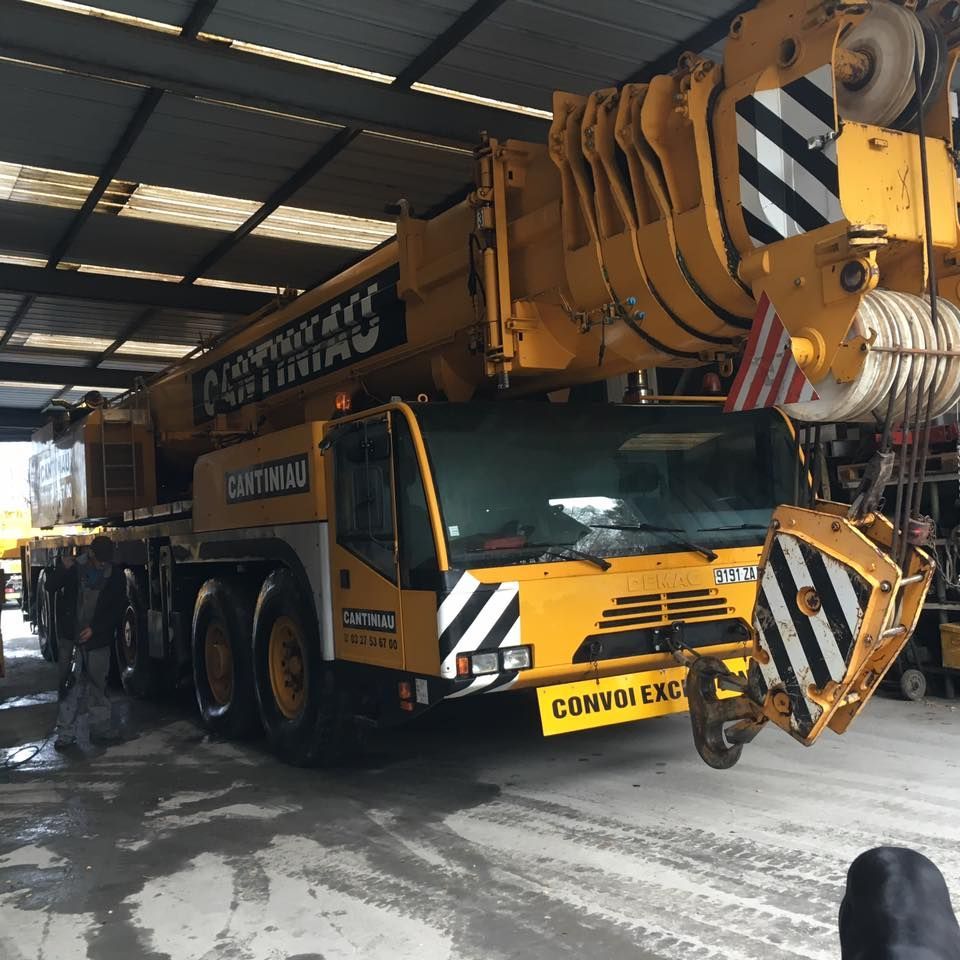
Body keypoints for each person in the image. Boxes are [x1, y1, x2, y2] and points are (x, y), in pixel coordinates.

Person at [45, 536, 127, 750]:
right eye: (100, 560)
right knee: (68, 686)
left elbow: (117, 609)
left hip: (97, 639)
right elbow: (50, 586)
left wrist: (96, 629)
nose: (103, 565)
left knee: (98, 685)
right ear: (90, 554)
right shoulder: (73, 569)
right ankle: (65, 734)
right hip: (70, 640)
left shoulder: (116, 576)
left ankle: (101, 729)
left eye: (106, 561)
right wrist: (62, 569)